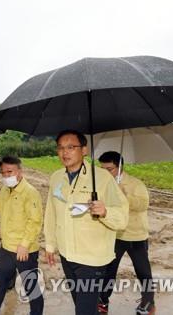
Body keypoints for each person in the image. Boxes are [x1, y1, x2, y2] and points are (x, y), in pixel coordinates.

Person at [44, 130, 129, 315]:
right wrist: (50, 244)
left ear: (84, 150)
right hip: (67, 255)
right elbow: (51, 213)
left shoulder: (102, 178)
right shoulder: (56, 177)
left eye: (71, 147)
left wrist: (105, 211)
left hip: (93, 258)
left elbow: (122, 216)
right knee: (82, 305)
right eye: (60, 148)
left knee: (84, 310)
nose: (64, 152)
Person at [0, 156, 44, 315]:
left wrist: (25, 244)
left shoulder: (30, 192)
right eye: (3, 173)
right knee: (0, 279)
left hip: (24, 250)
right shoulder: (6, 190)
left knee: (30, 285)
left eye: (10, 172)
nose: (6, 176)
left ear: (19, 171)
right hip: (7, 248)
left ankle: (36, 313)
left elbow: (35, 221)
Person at [98, 151, 155, 315]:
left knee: (143, 271)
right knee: (108, 271)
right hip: (116, 234)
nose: (106, 173)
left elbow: (143, 204)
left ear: (120, 166)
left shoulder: (136, 184)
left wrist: (123, 195)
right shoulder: (105, 184)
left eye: (109, 169)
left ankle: (148, 302)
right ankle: (102, 302)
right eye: (102, 169)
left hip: (136, 235)